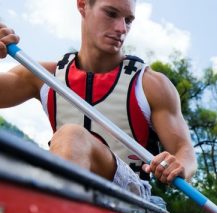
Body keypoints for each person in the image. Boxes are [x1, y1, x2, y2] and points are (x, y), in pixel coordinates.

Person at [0, 0, 197, 201]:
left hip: (131, 195)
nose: (121, 29)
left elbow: (185, 151)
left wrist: (178, 165)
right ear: (83, 5)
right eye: (111, 14)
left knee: (71, 135)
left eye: (128, 20)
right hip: (64, 179)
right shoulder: (43, 75)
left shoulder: (151, 84)